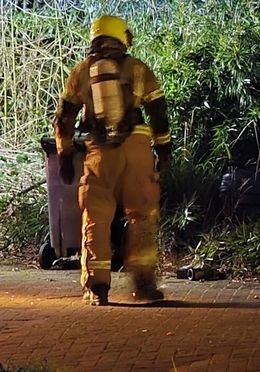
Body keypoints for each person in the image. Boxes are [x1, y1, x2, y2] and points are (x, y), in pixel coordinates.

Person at [53, 15, 172, 305]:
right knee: (142, 216)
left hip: (99, 155)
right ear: (122, 37)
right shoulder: (138, 69)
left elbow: (64, 117)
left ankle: (98, 288)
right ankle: (143, 286)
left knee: (96, 218)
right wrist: (164, 149)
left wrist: (65, 154)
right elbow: (158, 110)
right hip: (137, 150)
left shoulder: (82, 71)